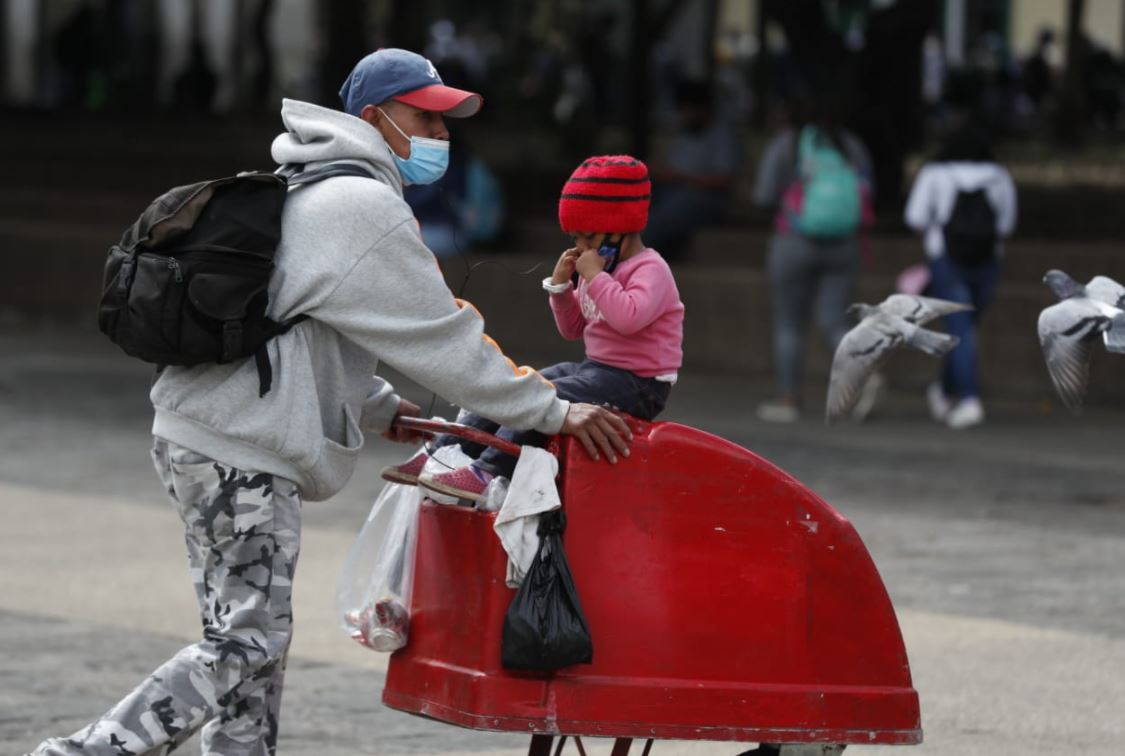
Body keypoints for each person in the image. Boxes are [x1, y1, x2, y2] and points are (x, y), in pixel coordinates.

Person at [24, 48, 629, 756]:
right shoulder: (361, 205)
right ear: (375, 118)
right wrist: (554, 410)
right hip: (239, 448)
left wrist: (377, 407)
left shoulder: (316, 184)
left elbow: (309, 327)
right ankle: (87, 751)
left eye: (445, 121)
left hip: (210, 434)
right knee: (244, 643)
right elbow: (447, 340)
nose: (440, 135)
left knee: (253, 642)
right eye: (424, 117)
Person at [384, 155, 684, 503]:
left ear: (621, 229)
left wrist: (595, 277)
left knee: (547, 400)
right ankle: (442, 451)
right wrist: (561, 289)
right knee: (524, 386)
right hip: (598, 370)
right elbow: (573, 329)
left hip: (639, 384)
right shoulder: (598, 266)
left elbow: (628, 318)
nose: (582, 247)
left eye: (588, 237)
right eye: (575, 239)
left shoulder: (650, 270)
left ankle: (488, 471)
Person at [752, 98, 874, 423]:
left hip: (793, 242)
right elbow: (867, 191)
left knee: (790, 323)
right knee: (835, 320)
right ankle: (863, 372)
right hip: (845, 244)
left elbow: (763, 194)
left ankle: (788, 399)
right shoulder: (850, 145)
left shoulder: (787, 145)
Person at [904, 121, 1017, 430]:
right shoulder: (999, 176)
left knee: (959, 331)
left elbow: (914, 217)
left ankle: (968, 399)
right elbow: (1006, 225)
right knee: (965, 330)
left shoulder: (935, 174)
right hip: (987, 262)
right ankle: (946, 391)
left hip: (947, 261)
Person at [644, 78, 741, 260]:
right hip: (673, 190)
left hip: (705, 198)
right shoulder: (684, 133)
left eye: (688, 110)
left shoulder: (722, 135)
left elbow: (724, 180)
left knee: (662, 216)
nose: (684, 115)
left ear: (702, 109)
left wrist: (680, 177)